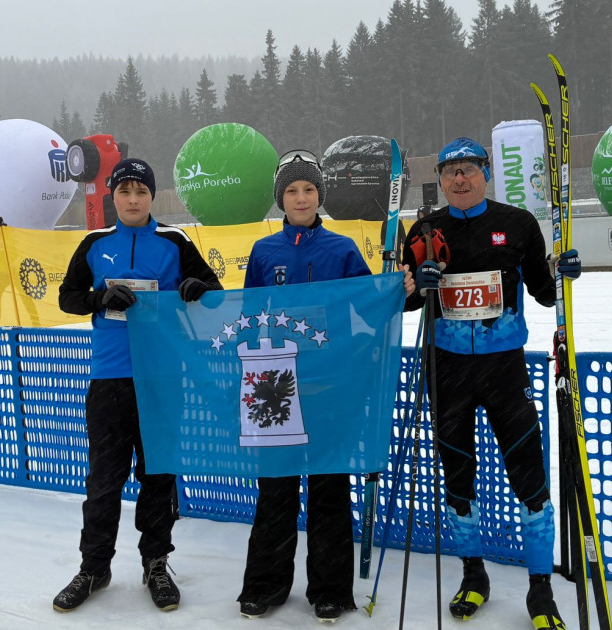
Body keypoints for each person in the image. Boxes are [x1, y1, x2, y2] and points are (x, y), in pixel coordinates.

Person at [400, 138, 582, 630]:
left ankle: (540, 589)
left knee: (529, 474)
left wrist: (561, 273)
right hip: (448, 369)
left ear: (486, 173)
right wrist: (417, 286)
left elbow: (545, 296)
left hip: (505, 369)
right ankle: (473, 575)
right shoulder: (424, 228)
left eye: (469, 169)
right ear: (440, 178)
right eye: (450, 171)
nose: (460, 178)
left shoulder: (517, 224)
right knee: (457, 477)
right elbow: (405, 303)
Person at [53, 158, 222, 614]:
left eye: (141, 192)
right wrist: (98, 298)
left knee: (158, 476)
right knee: (104, 481)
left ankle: (156, 563)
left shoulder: (174, 240)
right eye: (125, 191)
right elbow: (67, 298)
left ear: (152, 196)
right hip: (108, 378)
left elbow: (213, 288)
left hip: (161, 378)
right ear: (113, 196)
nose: (133, 200)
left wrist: (194, 287)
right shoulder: (93, 243)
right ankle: (94, 567)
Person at [236, 150, 370, 623]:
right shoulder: (264, 252)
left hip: (329, 384)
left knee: (329, 486)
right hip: (275, 384)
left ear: (319, 196)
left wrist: (406, 288)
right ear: (280, 198)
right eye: (292, 190)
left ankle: (330, 589)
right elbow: (248, 317)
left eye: (308, 189)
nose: (300, 197)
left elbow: (369, 308)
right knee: (275, 487)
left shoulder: (342, 250)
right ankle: (266, 585)